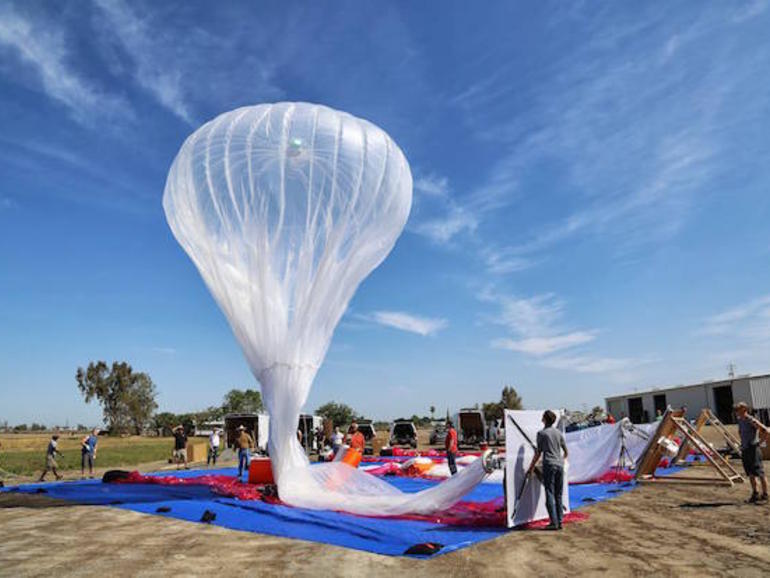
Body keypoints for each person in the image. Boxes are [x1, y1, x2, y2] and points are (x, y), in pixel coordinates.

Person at [528, 410, 568, 530]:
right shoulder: (558, 433)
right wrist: (560, 460)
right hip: (559, 465)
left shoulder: (542, 433)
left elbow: (538, 453)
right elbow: (566, 451)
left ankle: (553, 523)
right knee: (559, 494)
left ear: (544, 419)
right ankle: (560, 522)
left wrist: (531, 467)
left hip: (549, 465)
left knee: (549, 492)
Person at [735, 402, 769, 504]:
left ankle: (765, 495)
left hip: (753, 449)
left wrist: (759, 443)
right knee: (750, 473)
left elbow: (765, 431)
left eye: (738, 409)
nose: (736, 411)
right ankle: (755, 494)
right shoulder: (740, 420)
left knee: (760, 473)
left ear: (744, 409)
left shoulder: (751, 420)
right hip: (745, 449)